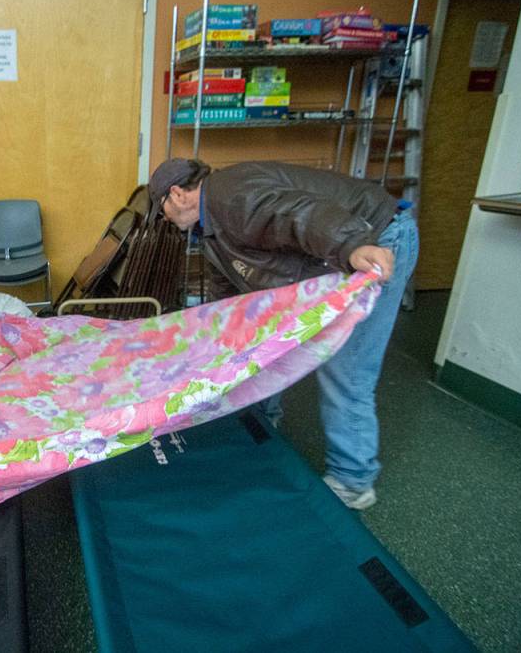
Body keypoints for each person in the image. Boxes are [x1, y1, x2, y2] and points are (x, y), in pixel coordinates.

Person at [148, 158, 419, 510]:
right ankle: (261, 425)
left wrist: (354, 246)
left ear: (177, 194)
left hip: (374, 240)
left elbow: (300, 215)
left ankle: (353, 481)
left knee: (347, 370)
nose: (166, 219)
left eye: (163, 210)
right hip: (333, 254)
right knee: (262, 345)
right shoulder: (210, 228)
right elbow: (228, 293)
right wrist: (218, 337)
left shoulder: (231, 198)